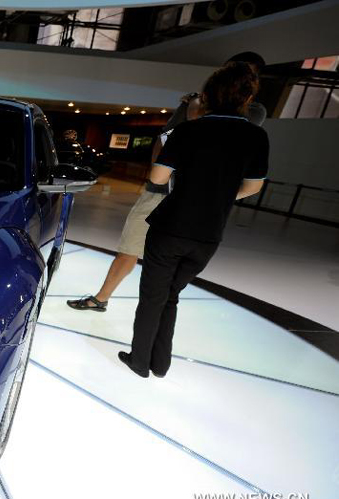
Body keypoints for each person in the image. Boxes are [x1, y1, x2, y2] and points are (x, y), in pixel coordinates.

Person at [67, 52, 267, 312]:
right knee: (130, 245)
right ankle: (103, 298)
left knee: (172, 266)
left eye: (244, 73)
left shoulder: (252, 113)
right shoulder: (194, 102)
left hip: (197, 201)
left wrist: (218, 195)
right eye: (230, 70)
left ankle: (155, 318)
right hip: (161, 190)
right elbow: (165, 138)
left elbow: (212, 133)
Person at [118, 62, 268, 378]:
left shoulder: (189, 130)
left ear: (207, 95)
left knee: (153, 297)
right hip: (209, 234)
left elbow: (159, 177)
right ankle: (161, 364)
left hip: (171, 227)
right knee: (171, 296)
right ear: (246, 99)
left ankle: (140, 361)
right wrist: (221, 196)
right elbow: (252, 187)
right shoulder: (257, 136)